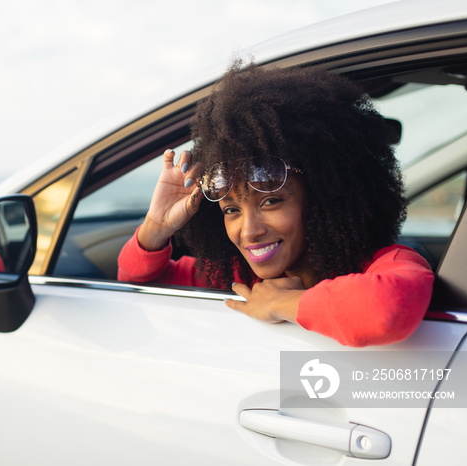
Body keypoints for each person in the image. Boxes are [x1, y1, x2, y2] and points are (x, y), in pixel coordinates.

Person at [117, 63, 434, 347]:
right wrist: (156, 228)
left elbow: (388, 309)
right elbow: (136, 286)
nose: (249, 231)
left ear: (324, 197)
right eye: (231, 210)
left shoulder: (384, 263)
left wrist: (283, 303)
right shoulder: (236, 272)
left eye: (270, 201)